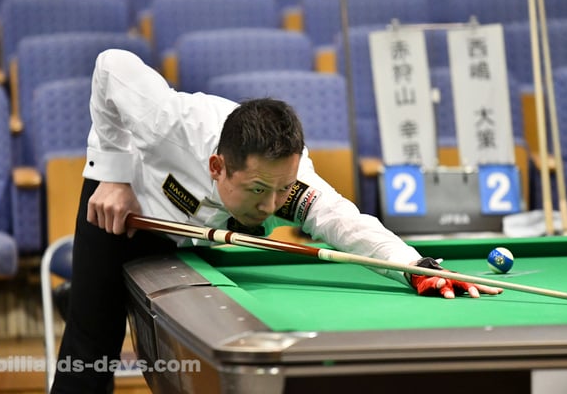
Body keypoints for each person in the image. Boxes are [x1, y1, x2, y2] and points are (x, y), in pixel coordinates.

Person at [51, 49, 502, 393]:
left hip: (196, 234)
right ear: (217, 167)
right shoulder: (172, 122)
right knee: (92, 345)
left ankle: (92, 291)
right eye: (257, 190)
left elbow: (345, 222)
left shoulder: (289, 183)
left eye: (282, 189)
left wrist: (415, 266)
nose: (271, 206)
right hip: (125, 207)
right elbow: (110, 65)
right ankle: (85, 294)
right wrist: (112, 174)